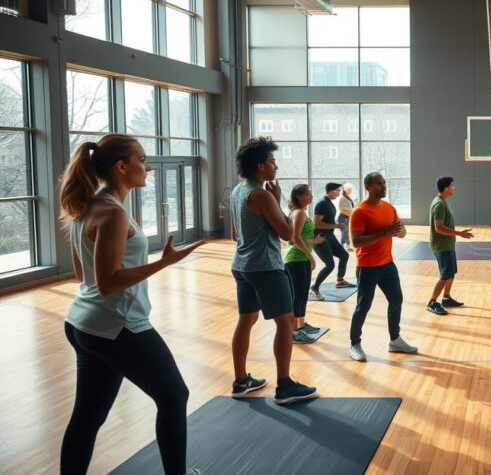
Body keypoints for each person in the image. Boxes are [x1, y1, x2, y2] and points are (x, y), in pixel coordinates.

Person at [59, 134, 205, 475]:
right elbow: (108, 281)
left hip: (83, 323)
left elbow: (84, 274)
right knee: (174, 397)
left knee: (88, 417)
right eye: (142, 160)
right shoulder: (112, 212)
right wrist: (165, 262)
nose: (148, 167)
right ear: (121, 167)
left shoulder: (88, 206)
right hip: (118, 325)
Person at [229, 136, 317, 405]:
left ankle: (241, 380)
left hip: (242, 265)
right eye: (271, 161)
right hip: (266, 267)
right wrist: (277, 201)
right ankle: (284, 385)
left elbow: (235, 235)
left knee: (246, 321)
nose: (275, 167)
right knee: (285, 322)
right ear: (260, 167)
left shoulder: (237, 192)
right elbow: (287, 233)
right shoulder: (261, 195)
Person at [348, 172, 418, 362]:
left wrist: (400, 231)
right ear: (368, 187)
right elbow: (355, 242)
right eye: (379, 183)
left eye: (384, 183)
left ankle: (394, 340)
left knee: (396, 299)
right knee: (363, 306)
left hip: (387, 264)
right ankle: (354, 344)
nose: (384, 186)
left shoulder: (389, 207)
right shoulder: (359, 212)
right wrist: (385, 232)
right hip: (367, 267)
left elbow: (400, 231)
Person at [426, 176, 474, 316]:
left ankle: (446, 298)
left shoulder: (443, 202)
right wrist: (459, 233)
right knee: (445, 275)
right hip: (442, 246)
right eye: (452, 185)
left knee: (450, 273)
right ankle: (432, 302)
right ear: (446, 188)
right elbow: (438, 228)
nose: (454, 188)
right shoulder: (439, 204)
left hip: (447, 244)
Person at [284, 184, 326, 344]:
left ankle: (301, 325)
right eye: (308, 194)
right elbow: (294, 237)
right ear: (300, 196)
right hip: (296, 259)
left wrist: (312, 242)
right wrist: (310, 256)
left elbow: (298, 237)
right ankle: (294, 331)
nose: (311, 196)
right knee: (298, 295)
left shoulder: (299, 212)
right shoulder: (300, 213)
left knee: (302, 294)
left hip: (299, 258)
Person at [310, 182, 352, 302]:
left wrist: (336, 227)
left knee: (344, 255)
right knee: (330, 265)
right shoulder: (322, 203)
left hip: (330, 237)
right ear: (331, 190)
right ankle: (314, 287)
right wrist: (337, 226)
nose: (339, 193)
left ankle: (340, 280)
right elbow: (316, 223)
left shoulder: (329, 203)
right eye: (338, 191)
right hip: (321, 238)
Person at [340, 182, 356, 251]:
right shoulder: (342, 198)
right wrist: (353, 211)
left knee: (347, 232)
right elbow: (342, 209)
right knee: (344, 232)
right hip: (344, 217)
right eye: (349, 189)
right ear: (345, 189)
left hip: (348, 217)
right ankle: (342, 246)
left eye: (351, 189)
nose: (350, 190)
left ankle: (347, 246)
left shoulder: (348, 198)